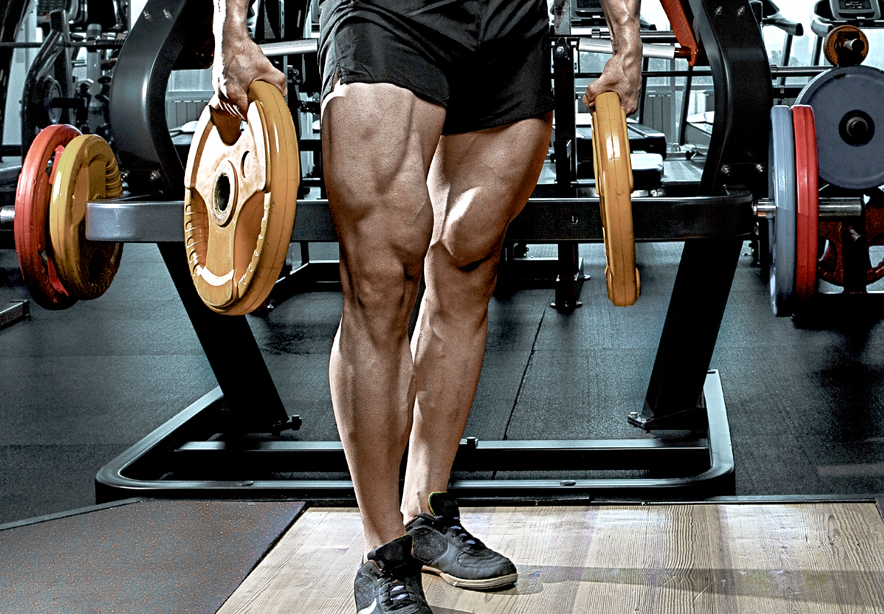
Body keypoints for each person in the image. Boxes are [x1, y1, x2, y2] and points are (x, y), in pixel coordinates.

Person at [212, 0, 641, 611]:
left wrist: (628, 40)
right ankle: (383, 554)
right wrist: (229, 28)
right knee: (380, 283)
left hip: (511, 26)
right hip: (386, 15)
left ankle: (428, 511)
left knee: (469, 263)